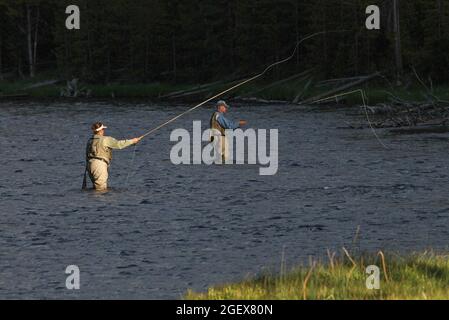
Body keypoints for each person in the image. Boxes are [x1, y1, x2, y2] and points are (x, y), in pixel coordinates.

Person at [84, 122, 142, 191]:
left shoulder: (90, 140)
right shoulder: (106, 139)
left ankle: (91, 201)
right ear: (101, 130)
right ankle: (99, 202)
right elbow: (118, 144)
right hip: (99, 165)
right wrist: (132, 141)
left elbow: (87, 155)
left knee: (96, 189)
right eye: (103, 129)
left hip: (89, 165)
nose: (103, 131)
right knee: (101, 191)